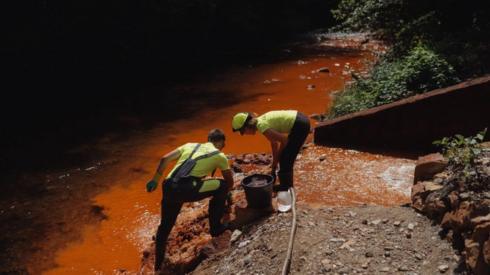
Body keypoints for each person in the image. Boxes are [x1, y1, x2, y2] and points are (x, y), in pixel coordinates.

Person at [146, 129, 234, 272]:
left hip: (168, 186)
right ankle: (216, 228)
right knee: (222, 186)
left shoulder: (189, 145)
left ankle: (158, 266)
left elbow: (164, 159)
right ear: (220, 142)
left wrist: (155, 180)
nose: (223, 146)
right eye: (223, 144)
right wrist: (226, 196)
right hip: (187, 188)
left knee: (165, 227)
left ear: (208, 139)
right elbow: (229, 182)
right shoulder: (220, 156)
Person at [231, 110, 310, 210]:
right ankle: (286, 186)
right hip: (299, 119)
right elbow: (274, 144)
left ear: (247, 126)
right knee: (284, 158)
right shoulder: (260, 124)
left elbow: (284, 140)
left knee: (286, 159)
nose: (244, 134)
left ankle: (287, 188)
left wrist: (280, 156)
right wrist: (274, 165)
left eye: (242, 132)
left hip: (300, 124)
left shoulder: (262, 126)